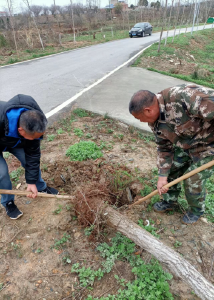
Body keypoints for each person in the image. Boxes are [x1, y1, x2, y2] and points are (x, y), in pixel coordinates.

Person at [129, 84, 214, 224]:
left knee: (193, 179)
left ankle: (196, 210)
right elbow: (164, 147)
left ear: (148, 110)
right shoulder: (155, 122)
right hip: (189, 145)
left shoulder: (184, 97)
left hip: (210, 146)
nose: (140, 122)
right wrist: (162, 175)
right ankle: (170, 201)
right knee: (171, 169)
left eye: (139, 118)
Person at [0, 94, 58, 220]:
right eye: (34, 138)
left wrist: (31, 182)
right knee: (2, 173)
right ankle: (8, 202)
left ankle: (40, 186)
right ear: (21, 130)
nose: (37, 140)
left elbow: (33, 155)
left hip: (15, 141)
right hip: (4, 135)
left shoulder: (35, 122)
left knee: (28, 160)